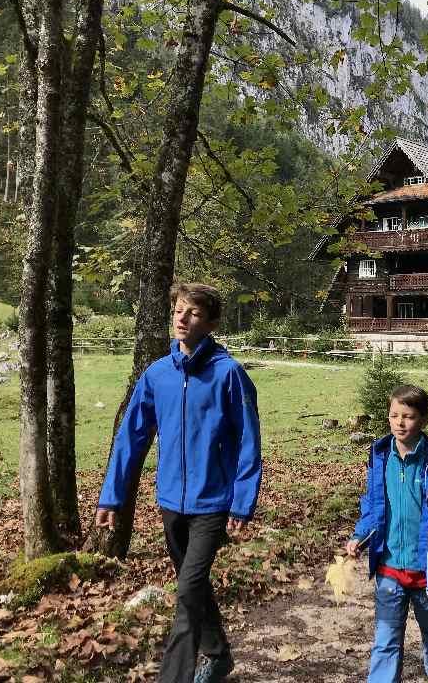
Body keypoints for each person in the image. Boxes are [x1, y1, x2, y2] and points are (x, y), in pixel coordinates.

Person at [96, 283, 261, 683]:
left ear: (212, 323)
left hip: (212, 502)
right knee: (193, 586)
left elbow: (248, 441)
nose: (182, 319)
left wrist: (242, 502)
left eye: (194, 314)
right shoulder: (156, 374)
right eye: (179, 310)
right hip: (171, 500)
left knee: (187, 590)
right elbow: (131, 438)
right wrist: (112, 498)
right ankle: (219, 656)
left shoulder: (229, 374)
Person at [346, 384, 428, 683]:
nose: (399, 422)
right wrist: (360, 535)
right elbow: (373, 505)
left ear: (423, 420)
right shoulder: (380, 457)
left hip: (426, 574)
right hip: (389, 568)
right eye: (394, 415)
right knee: (386, 640)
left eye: (408, 416)